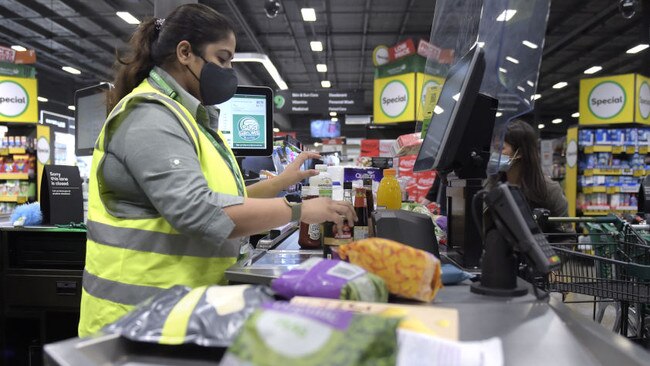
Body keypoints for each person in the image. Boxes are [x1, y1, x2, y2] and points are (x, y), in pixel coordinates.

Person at [78, 4, 356, 336]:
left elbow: (224, 200)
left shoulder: (190, 118)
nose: (227, 70)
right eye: (222, 58)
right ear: (185, 53)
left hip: (178, 314)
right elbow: (200, 212)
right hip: (136, 321)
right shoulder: (149, 115)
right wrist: (300, 210)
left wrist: (282, 182)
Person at [487, 119, 573, 236]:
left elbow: (567, 237)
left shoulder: (548, 190)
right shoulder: (493, 186)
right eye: (495, 148)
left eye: (501, 148)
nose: (495, 154)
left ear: (520, 152)